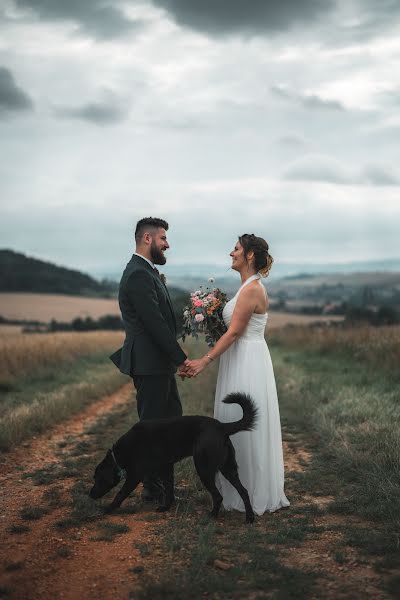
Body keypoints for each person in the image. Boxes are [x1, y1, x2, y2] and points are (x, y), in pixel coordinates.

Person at [184, 234, 290, 515]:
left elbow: (234, 333)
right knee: (232, 421)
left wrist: (204, 360)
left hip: (249, 360)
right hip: (240, 357)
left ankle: (253, 489)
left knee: (244, 421)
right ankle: (235, 485)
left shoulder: (253, 289)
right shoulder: (245, 287)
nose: (231, 253)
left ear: (250, 256)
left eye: (236, 249)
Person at [110, 217, 191, 501]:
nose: (167, 244)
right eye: (163, 239)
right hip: (149, 364)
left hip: (158, 365)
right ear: (147, 239)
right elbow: (155, 323)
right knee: (154, 428)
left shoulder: (147, 271)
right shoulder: (138, 275)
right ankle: (151, 488)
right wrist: (181, 358)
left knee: (170, 424)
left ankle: (162, 485)